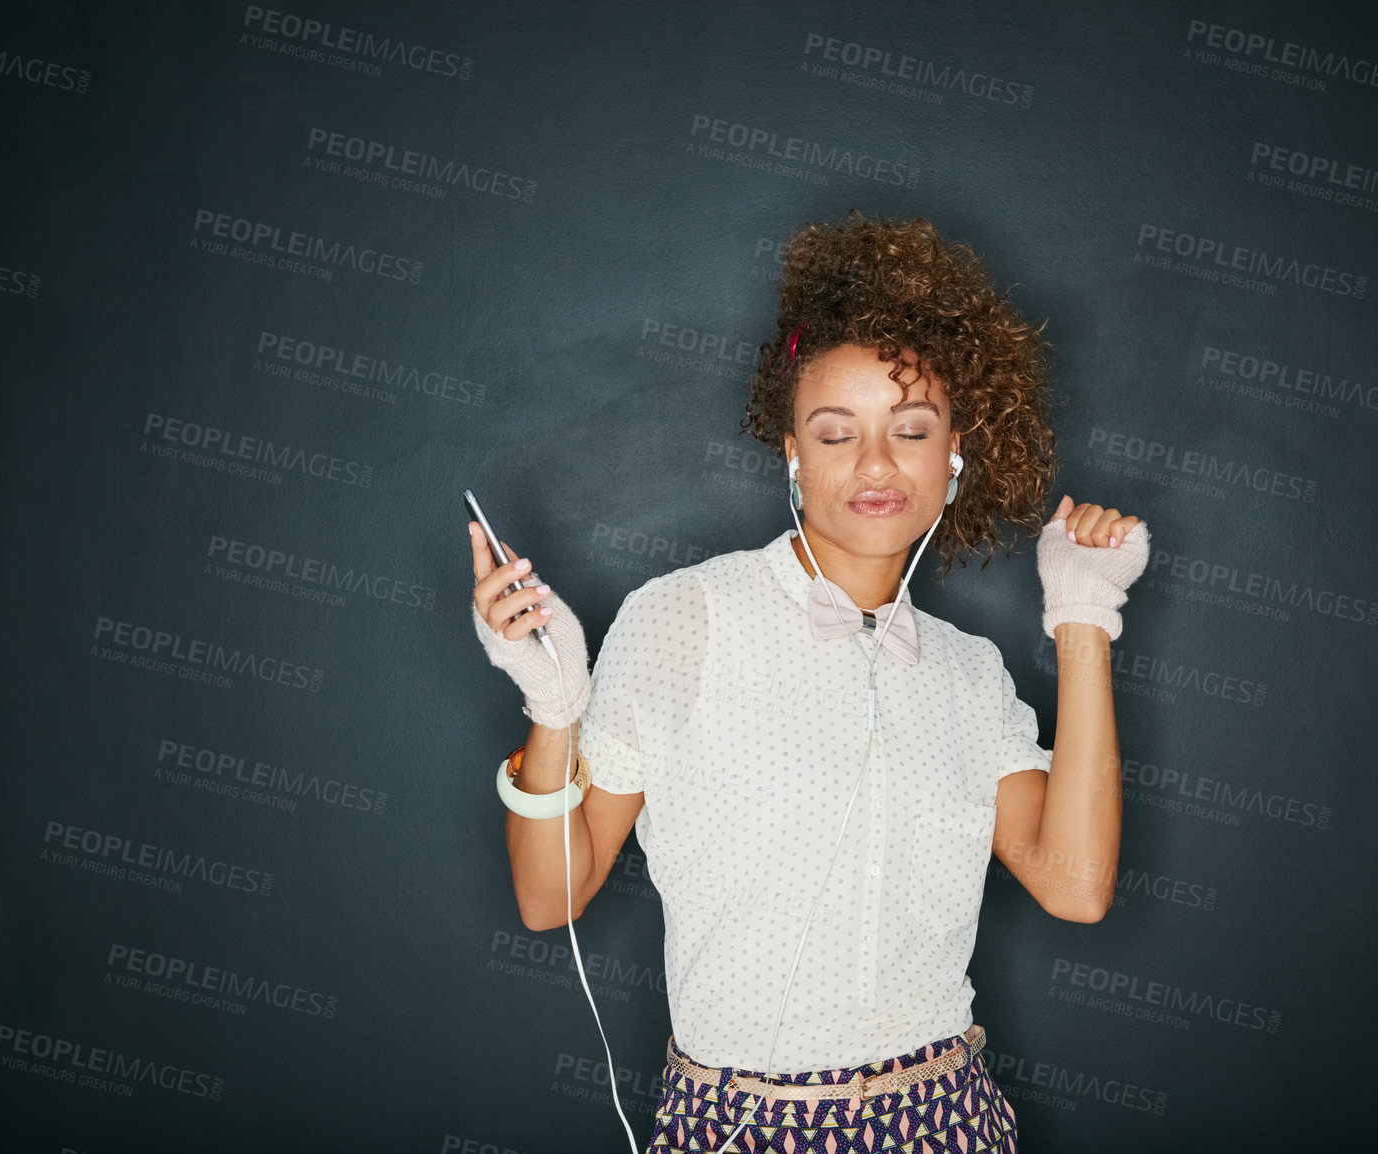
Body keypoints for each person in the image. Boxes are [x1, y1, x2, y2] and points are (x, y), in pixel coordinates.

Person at [469, 212, 1148, 1153]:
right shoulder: (685, 617)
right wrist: (553, 713)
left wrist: (1082, 620)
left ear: (954, 455)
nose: (876, 466)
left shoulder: (967, 673)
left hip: (947, 1117)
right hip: (744, 1125)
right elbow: (552, 900)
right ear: (791, 453)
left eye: (910, 431)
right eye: (835, 436)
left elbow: (1075, 888)